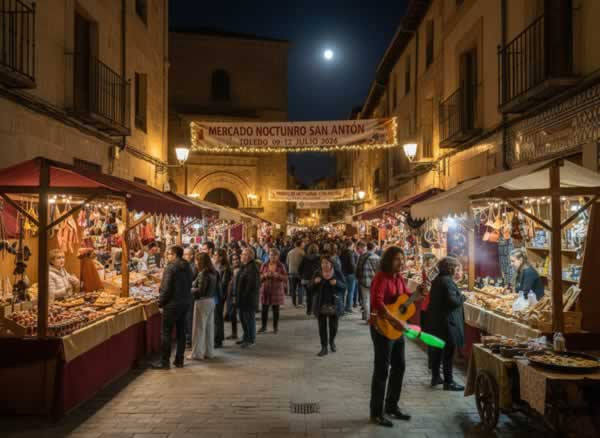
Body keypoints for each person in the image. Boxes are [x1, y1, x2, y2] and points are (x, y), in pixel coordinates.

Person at [368, 246, 411, 427]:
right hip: (382, 328)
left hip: (396, 329)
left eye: (402, 259)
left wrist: (419, 294)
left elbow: (406, 297)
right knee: (382, 370)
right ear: (388, 260)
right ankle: (376, 412)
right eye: (396, 259)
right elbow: (377, 302)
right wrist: (394, 320)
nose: (400, 262)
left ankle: (392, 406)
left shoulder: (399, 278)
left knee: (399, 366)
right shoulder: (381, 277)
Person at [427, 256, 466, 391]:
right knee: (448, 354)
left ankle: (436, 377)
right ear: (452, 268)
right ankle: (448, 382)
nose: (458, 271)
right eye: (457, 268)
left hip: (437, 321)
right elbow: (453, 302)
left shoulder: (438, 279)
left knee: (437, 351)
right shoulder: (447, 281)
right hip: (446, 323)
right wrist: (463, 297)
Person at [153, 245, 193, 370]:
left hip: (172, 304)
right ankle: (179, 360)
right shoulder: (188, 267)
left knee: (166, 333)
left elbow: (166, 288)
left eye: (169, 254)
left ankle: (164, 362)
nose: (167, 256)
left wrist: (160, 303)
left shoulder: (171, 267)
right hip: (185, 302)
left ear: (175, 254)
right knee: (181, 332)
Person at [310, 255, 346, 357]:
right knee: (322, 327)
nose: (324, 265)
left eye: (326, 263)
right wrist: (314, 282)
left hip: (334, 303)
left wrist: (337, 283)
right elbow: (310, 288)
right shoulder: (317, 273)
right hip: (320, 303)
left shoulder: (337, 273)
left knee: (333, 326)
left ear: (331, 264)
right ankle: (324, 347)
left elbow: (344, 287)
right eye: (323, 263)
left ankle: (332, 341)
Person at [188, 252, 219, 361]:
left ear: (200, 261)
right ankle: (209, 351)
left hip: (202, 301)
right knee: (209, 328)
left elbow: (200, 290)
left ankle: (197, 353)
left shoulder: (203, 273)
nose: (195, 263)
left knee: (198, 328)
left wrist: (192, 290)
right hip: (211, 301)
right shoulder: (213, 272)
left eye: (197, 260)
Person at [259, 248, 288, 334]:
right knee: (264, 310)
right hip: (265, 290)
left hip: (277, 291)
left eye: (275, 255)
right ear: (268, 255)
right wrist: (264, 275)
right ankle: (263, 327)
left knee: (276, 310)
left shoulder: (281, 266)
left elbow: (286, 278)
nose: (272, 257)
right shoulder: (264, 265)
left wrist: (278, 275)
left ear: (278, 256)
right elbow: (259, 276)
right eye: (271, 255)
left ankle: (275, 327)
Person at [236, 248, 261, 348]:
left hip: (248, 300)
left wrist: (243, 297)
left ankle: (250, 339)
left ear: (249, 256)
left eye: (243, 254)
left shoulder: (252, 268)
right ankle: (245, 337)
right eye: (242, 254)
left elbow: (251, 286)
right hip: (242, 299)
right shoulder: (244, 266)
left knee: (249, 320)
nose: (241, 256)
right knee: (243, 319)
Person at [357, 242, 380, 322]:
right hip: (374, 282)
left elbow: (358, 267)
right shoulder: (376, 257)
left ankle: (368, 318)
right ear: (374, 248)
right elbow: (379, 271)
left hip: (363, 281)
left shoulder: (362, 256)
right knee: (373, 299)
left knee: (365, 300)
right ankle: (373, 317)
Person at [213, 249, 231, 348]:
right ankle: (218, 337)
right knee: (216, 318)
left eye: (216, 255)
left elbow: (223, 284)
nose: (214, 257)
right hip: (215, 295)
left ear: (221, 257)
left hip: (219, 296)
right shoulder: (216, 266)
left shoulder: (225, 269)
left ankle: (218, 340)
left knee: (217, 318)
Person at [299, 243, 321, 315]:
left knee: (308, 295)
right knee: (315, 295)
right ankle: (315, 309)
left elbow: (300, 268)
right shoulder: (319, 258)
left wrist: (302, 275)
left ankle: (309, 310)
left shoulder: (305, 258)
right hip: (316, 279)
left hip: (306, 279)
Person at [183, 247, 198, 348]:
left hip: (190, 296)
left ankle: (189, 340)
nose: (184, 256)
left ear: (191, 256)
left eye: (186, 254)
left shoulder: (192, 267)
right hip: (188, 295)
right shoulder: (188, 266)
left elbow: (189, 280)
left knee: (189, 318)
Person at [340, 240, 358, 313]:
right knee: (351, 291)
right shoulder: (350, 253)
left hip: (343, 273)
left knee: (343, 291)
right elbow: (352, 264)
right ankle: (348, 307)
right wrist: (355, 272)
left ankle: (341, 306)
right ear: (351, 245)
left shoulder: (342, 252)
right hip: (350, 274)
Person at [286, 240, 305, 307]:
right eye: (303, 244)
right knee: (300, 287)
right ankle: (300, 302)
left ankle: (293, 302)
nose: (304, 245)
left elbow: (287, 263)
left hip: (291, 271)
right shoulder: (302, 252)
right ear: (300, 245)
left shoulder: (290, 252)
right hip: (299, 272)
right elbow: (304, 262)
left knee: (293, 288)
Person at [227, 253, 241, 340]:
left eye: (236, 259)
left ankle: (236, 333)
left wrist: (235, 296)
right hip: (230, 295)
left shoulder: (239, 270)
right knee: (232, 315)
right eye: (233, 259)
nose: (235, 261)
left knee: (239, 315)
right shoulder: (231, 269)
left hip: (236, 295)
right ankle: (234, 333)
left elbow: (236, 285)